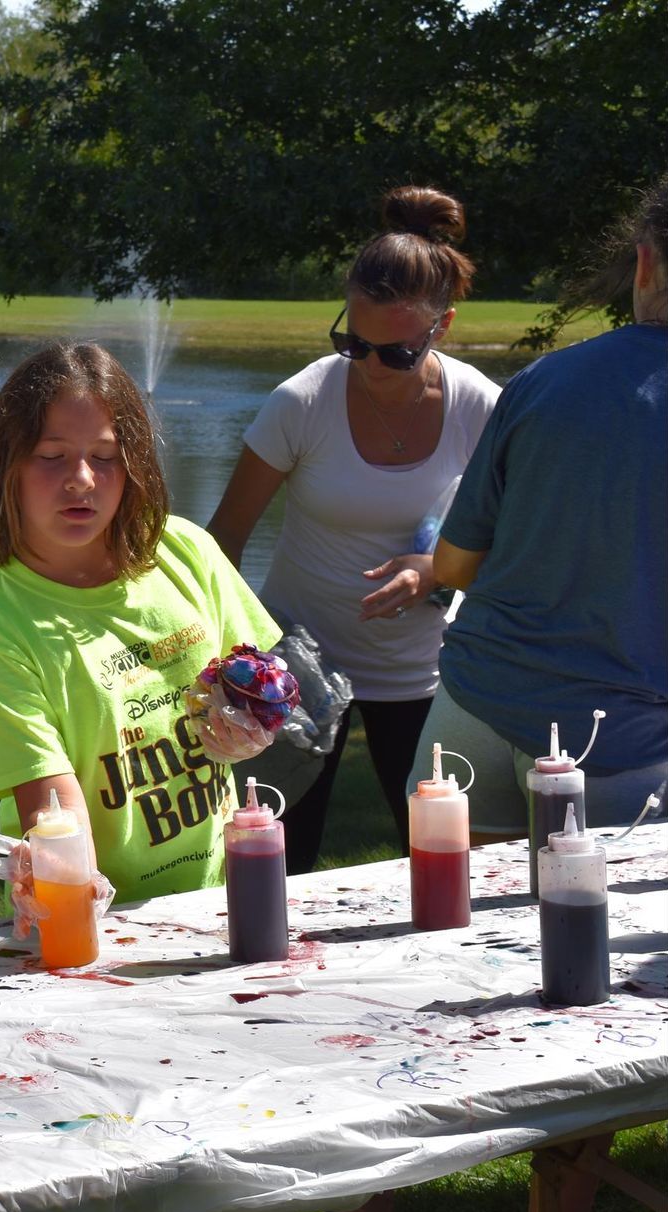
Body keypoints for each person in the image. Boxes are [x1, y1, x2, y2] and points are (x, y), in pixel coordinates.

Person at [0, 342, 277, 1212]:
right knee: (48, 1172)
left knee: (138, 1177)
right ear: (6, 468)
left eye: (103, 454)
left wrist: (249, 721)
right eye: (51, 456)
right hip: (99, 948)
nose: (80, 479)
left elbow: (258, 689)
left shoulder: (188, 554)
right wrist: (69, 879)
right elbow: (52, 814)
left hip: (212, 913)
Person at [426, 177, 668, 1212]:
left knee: (423, 953)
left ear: (647, 265)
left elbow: (458, 562)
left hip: (471, 712)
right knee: (586, 1005)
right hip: (623, 748)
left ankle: (374, 1201)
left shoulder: (550, 379)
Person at [207, 186, 501, 875]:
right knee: (278, 862)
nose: (367, 365)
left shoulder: (481, 407)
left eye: (393, 353)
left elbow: (515, 544)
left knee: (441, 865)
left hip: (426, 675)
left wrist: (434, 571)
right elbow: (221, 541)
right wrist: (235, 668)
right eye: (352, 342)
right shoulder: (301, 402)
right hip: (299, 675)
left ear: (444, 325)